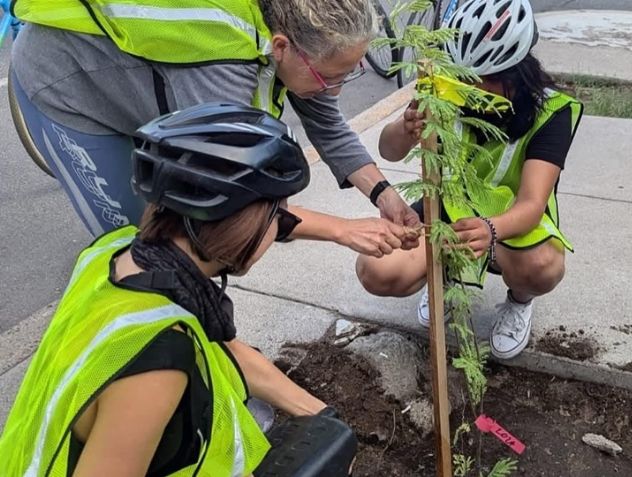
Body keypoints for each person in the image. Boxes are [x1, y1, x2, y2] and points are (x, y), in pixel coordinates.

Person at [0, 104, 355, 475]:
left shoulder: (116, 254)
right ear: (245, 224)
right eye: (278, 214)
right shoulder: (159, 360)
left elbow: (225, 350)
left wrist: (324, 417)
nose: (286, 224)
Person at [9, 0, 420, 256]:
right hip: (67, 87)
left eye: (349, 74)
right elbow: (236, 199)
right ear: (280, 47)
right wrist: (342, 230)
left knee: (187, 243)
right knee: (140, 250)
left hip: (144, 89)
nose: (335, 89)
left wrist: (384, 195)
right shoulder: (224, 66)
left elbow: (326, 122)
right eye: (330, 76)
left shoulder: (293, 29)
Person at [356, 0, 584, 359]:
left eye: (484, 80)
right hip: (447, 207)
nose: (472, 88)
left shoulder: (551, 113)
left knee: (542, 266)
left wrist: (490, 229)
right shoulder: (447, 89)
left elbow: (531, 204)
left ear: (517, 72)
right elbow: (389, 150)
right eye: (465, 77)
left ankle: (520, 302)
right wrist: (406, 128)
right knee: (376, 268)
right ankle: (443, 279)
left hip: (509, 222)